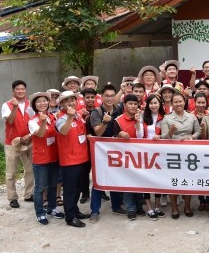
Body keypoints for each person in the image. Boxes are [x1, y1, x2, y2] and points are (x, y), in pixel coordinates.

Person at [88, 84, 125, 223]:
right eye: (107, 96)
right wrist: (104, 121)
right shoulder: (96, 112)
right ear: (101, 97)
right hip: (101, 151)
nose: (110, 98)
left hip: (117, 150)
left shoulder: (119, 109)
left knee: (116, 177)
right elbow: (97, 131)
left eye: (112, 95)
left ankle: (116, 206)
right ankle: (95, 211)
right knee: (98, 180)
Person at [161, 92, 201, 219]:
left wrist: (192, 137)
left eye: (180, 101)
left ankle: (187, 207)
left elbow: (198, 131)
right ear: (172, 104)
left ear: (184, 102)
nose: (178, 104)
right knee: (173, 181)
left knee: (187, 179)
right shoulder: (167, 118)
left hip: (189, 152)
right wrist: (171, 132)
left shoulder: (191, 117)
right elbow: (163, 137)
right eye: (175, 102)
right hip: (173, 154)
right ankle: (174, 208)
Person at [55, 91, 91, 227]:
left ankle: (75, 211)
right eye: (67, 101)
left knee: (77, 189)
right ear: (62, 104)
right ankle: (70, 217)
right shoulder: (62, 118)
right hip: (70, 160)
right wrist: (70, 117)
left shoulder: (78, 115)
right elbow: (63, 131)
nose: (70, 103)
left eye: (72, 100)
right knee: (70, 190)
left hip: (82, 158)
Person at [28, 92, 64, 224]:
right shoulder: (32, 121)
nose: (42, 103)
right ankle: (40, 213)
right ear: (34, 105)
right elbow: (41, 133)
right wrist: (43, 122)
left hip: (54, 157)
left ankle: (52, 208)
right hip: (41, 160)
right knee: (40, 188)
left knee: (53, 186)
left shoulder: (53, 117)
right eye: (39, 102)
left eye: (44, 101)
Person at [1, 80, 35, 208]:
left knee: (30, 169)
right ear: (13, 91)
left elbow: (34, 122)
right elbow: (9, 121)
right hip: (12, 143)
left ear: (25, 90)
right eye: (18, 89)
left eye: (23, 89)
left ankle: (28, 194)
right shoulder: (7, 105)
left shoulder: (30, 104)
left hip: (28, 141)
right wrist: (15, 107)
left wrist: (30, 136)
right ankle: (12, 198)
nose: (20, 91)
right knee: (11, 172)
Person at [111, 94, 145, 220]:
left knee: (140, 182)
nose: (133, 106)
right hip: (125, 158)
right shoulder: (118, 121)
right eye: (130, 104)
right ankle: (131, 208)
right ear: (124, 106)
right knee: (128, 184)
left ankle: (140, 206)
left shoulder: (141, 118)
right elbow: (112, 138)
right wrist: (119, 134)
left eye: (135, 104)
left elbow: (143, 136)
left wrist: (138, 121)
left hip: (140, 156)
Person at [141, 94, 166, 218]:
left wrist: (160, 136)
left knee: (158, 180)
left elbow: (166, 134)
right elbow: (140, 134)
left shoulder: (165, 117)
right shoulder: (142, 117)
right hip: (146, 152)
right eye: (151, 103)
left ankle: (157, 207)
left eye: (156, 103)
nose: (153, 105)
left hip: (160, 153)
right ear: (148, 105)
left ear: (160, 104)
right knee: (146, 180)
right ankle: (149, 208)